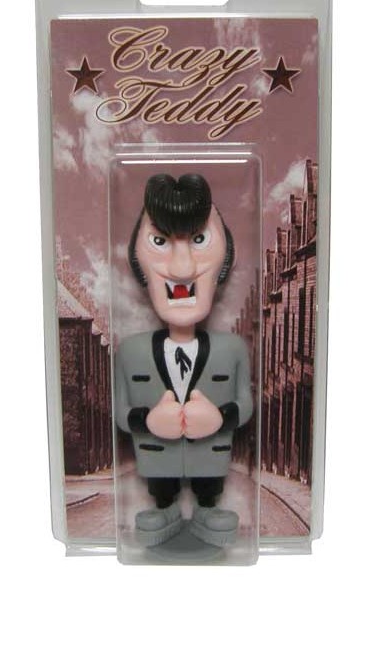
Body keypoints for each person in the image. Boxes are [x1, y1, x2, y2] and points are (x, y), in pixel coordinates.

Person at [114, 173, 253, 547]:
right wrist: (148, 420)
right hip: (156, 461)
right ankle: (165, 505)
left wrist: (220, 417)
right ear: (138, 263)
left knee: (211, 489)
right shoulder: (130, 353)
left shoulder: (232, 350)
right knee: (161, 490)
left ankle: (208, 506)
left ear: (225, 262)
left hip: (212, 459)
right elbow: (121, 412)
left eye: (199, 240)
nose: (180, 268)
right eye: (159, 241)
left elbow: (245, 403)